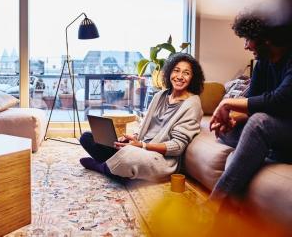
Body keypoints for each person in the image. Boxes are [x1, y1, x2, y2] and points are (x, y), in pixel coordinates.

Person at [79, 53, 205, 183]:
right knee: (87, 137)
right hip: (138, 147)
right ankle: (118, 169)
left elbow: (177, 146)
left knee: (128, 157)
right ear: (169, 73)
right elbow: (144, 126)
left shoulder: (192, 104)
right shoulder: (160, 96)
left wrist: (142, 146)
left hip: (159, 158)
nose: (179, 76)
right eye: (176, 71)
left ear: (192, 78)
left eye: (186, 73)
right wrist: (133, 138)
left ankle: (102, 167)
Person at [209, 11, 292, 204]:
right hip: (277, 133)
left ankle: (214, 204)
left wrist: (226, 102)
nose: (246, 46)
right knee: (224, 131)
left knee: (258, 124)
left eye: (248, 39)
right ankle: (262, 151)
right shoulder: (263, 62)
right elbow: (254, 101)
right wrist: (232, 119)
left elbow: (280, 100)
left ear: (266, 37)